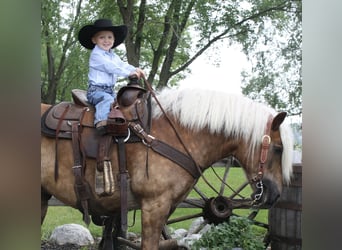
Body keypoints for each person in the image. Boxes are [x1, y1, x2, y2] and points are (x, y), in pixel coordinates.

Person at [78, 18, 145, 134]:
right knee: (107, 99)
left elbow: (121, 64)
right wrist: (128, 73)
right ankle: (101, 122)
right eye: (102, 37)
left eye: (109, 37)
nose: (106, 40)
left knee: (121, 102)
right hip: (96, 91)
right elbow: (110, 67)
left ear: (114, 40)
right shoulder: (96, 56)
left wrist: (135, 69)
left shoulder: (113, 56)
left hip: (110, 90)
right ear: (94, 40)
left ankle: (123, 123)